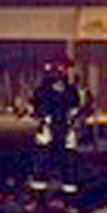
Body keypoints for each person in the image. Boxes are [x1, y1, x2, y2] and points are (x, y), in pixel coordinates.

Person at [29, 60, 81, 193]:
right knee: (43, 155)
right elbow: (35, 109)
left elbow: (75, 108)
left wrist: (73, 124)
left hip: (66, 127)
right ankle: (39, 188)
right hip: (48, 127)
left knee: (68, 157)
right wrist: (42, 121)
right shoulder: (42, 92)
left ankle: (69, 186)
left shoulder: (71, 91)